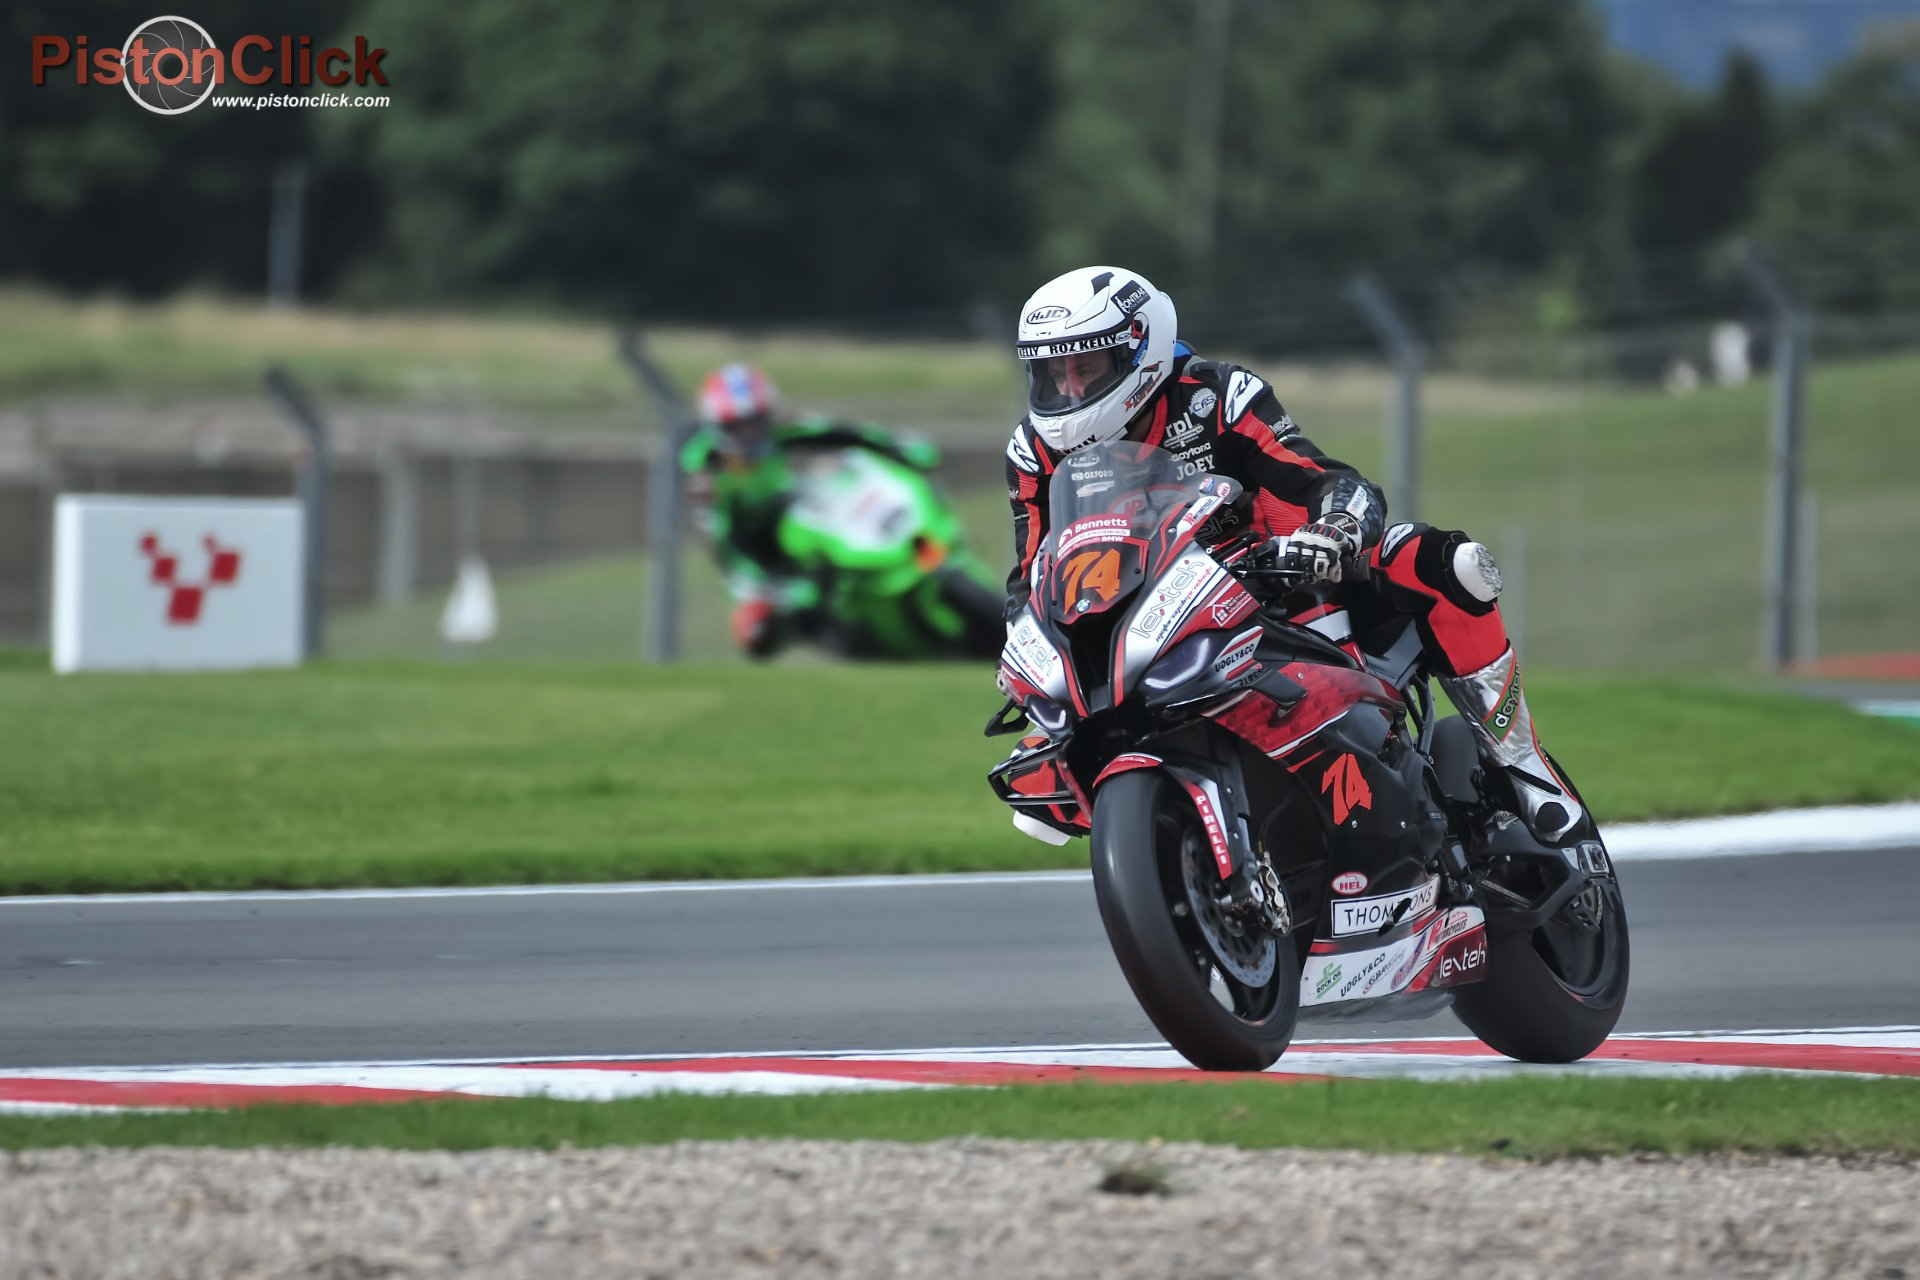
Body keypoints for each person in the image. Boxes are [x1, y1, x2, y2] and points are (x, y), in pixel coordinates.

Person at [1001, 266, 1585, 846]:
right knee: (1038, 790)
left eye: (1086, 368)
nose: (1069, 390)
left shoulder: (1216, 397)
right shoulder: (1033, 452)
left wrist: (1334, 530)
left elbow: (1324, 480)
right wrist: (1029, 650)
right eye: (1053, 373)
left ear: (1139, 349)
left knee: (1442, 562)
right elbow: (1031, 577)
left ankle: (1523, 765)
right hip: (1141, 624)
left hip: (1274, 585)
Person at [681, 362, 941, 657]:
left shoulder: (783, 429)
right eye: (737, 427)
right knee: (758, 635)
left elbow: (837, 433)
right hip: (751, 562)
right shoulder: (706, 471)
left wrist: (895, 444)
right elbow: (725, 548)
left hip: (786, 519)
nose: (748, 435)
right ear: (718, 427)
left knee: (816, 533)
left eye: (755, 422)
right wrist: (768, 591)